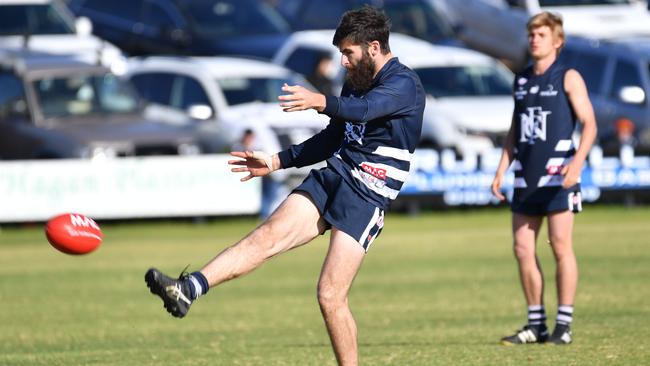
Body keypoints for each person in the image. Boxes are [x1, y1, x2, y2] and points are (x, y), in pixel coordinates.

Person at [144, 6, 425, 366]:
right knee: (266, 236)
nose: (343, 62)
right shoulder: (354, 81)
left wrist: (320, 101)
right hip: (335, 176)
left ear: (373, 47)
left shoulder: (404, 84)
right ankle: (189, 289)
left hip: (368, 195)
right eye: (340, 54)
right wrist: (277, 161)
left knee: (329, 295)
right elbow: (332, 138)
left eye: (348, 53)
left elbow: (368, 109)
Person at [491, 11, 597, 346]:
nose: (535, 39)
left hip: (559, 176)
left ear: (557, 41)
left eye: (541, 35)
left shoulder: (568, 77)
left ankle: (563, 324)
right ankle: (535, 324)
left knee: (560, 246)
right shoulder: (520, 79)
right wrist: (501, 169)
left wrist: (577, 164)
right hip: (526, 177)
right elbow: (515, 128)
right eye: (532, 34)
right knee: (522, 248)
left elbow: (589, 124)